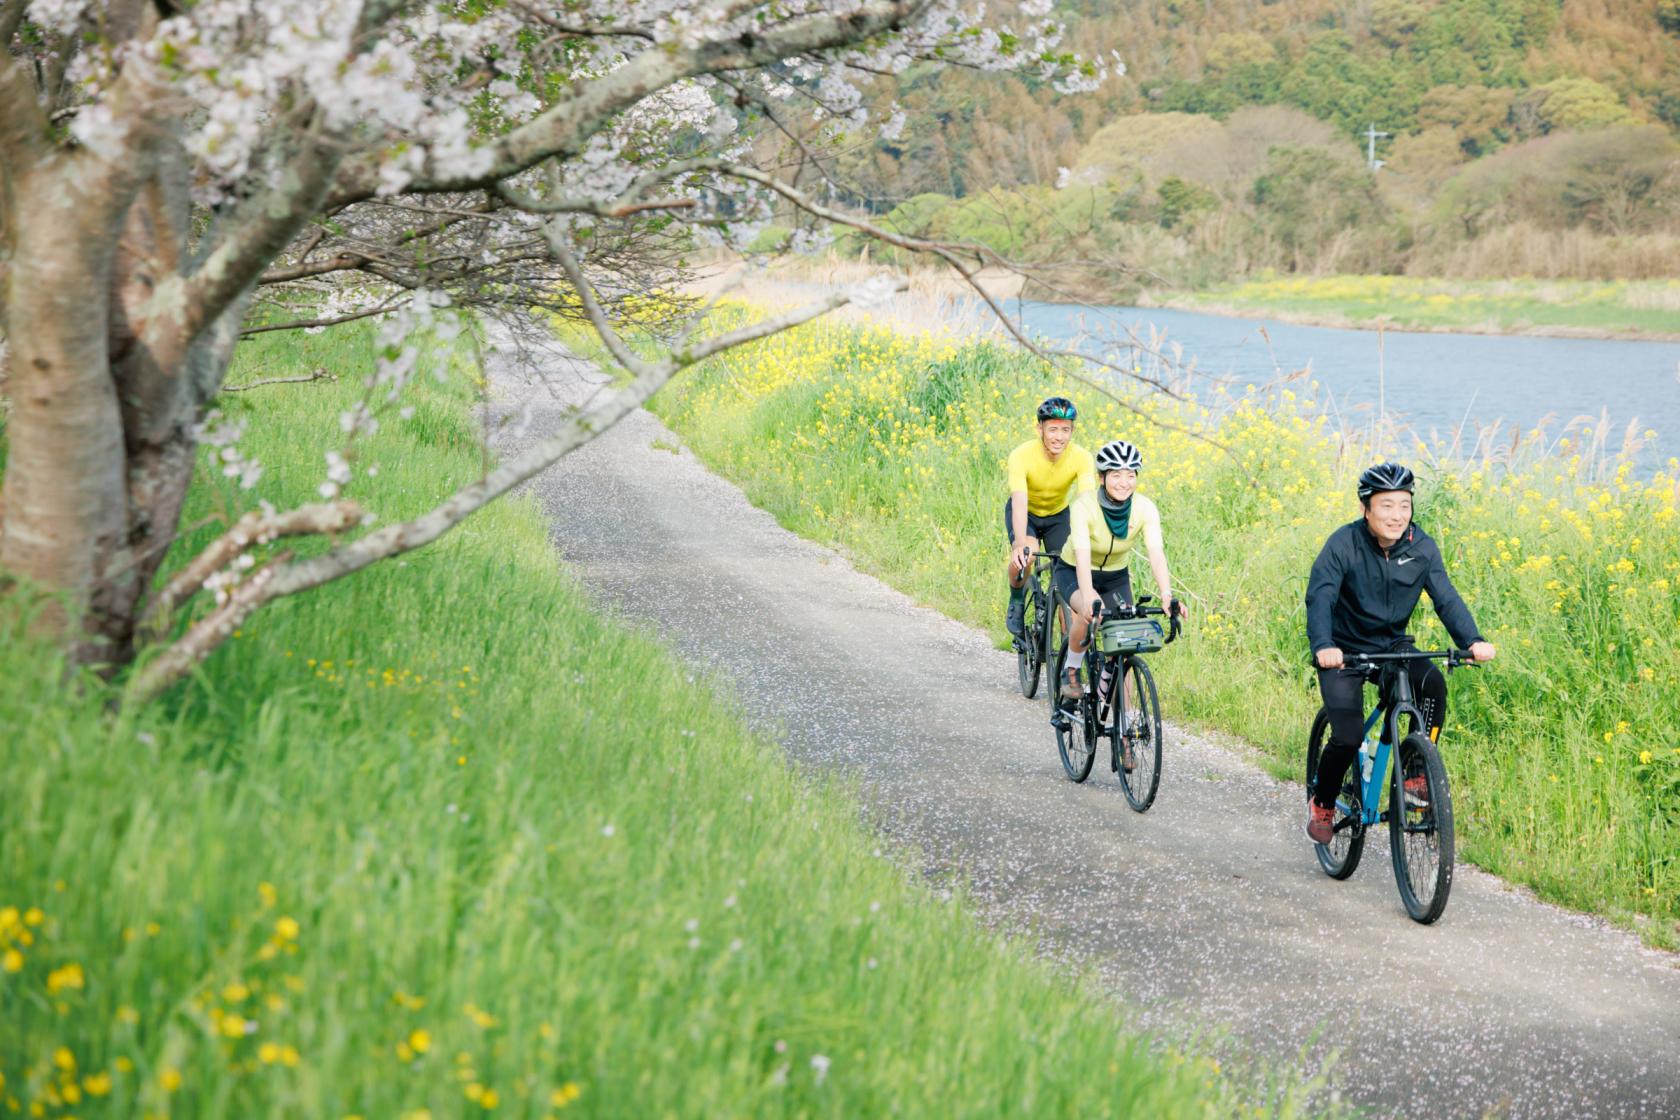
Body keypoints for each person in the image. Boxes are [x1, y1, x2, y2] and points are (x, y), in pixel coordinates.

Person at [1304, 461, 1496, 843]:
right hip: (1344, 651)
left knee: (1433, 684)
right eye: (1387, 506)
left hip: (1392, 647)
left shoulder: (1421, 547)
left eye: (1404, 505)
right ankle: (1323, 801)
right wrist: (1325, 646)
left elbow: (1445, 597)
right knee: (1348, 735)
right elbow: (1320, 597)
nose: (1397, 516)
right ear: (1366, 508)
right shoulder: (1343, 544)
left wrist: (1471, 641)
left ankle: (1415, 772)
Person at [1052, 439, 1186, 728]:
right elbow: (1083, 555)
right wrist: (1088, 596)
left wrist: (1166, 595)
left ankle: (1123, 728)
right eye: (1116, 474)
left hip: (1115, 576)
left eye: (1130, 474)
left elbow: (1156, 554)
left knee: (1124, 646)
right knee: (1086, 615)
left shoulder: (1145, 508)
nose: (1124, 482)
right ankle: (1072, 670)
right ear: (1102, 478)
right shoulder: (1084, 506)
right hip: (1074, 570)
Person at [1004, 397, 1096, 643]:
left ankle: (1067, 654)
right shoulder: (1021, 455)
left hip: (1058, 516)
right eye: (1053, 429)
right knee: (1028, 554)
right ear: (1040, 429)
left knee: (1068, 574)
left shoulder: (1082, 457)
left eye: (1065, 430)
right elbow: (1020, 501)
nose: (1059, 436)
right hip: (1026, 513)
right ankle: (1016, 598)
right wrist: (1020, 542)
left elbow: (1087, 500)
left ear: (1072, 431)